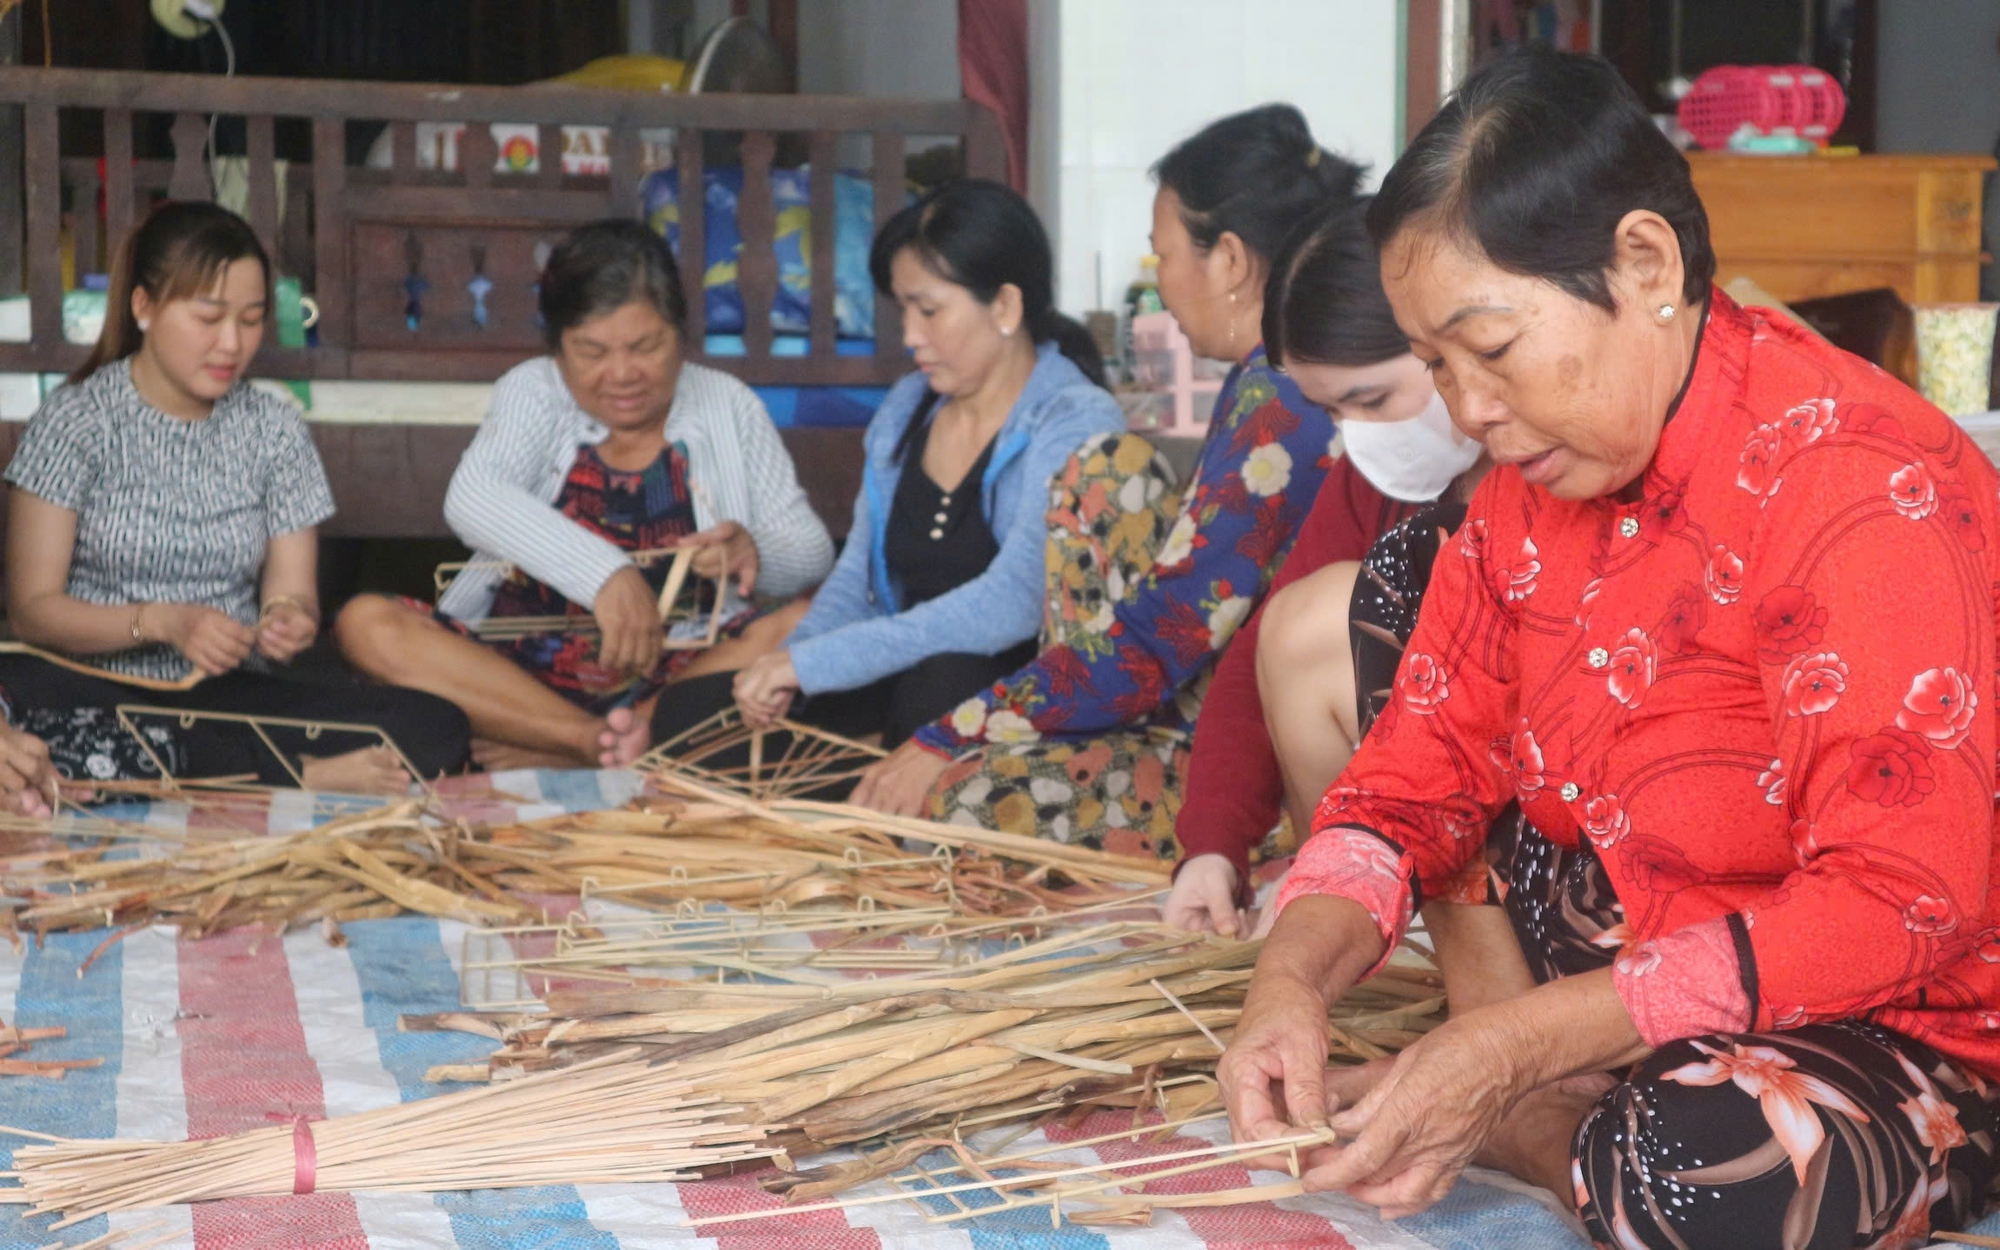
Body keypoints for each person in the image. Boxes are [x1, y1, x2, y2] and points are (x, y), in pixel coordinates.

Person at [1220, 47, 2000, 1247]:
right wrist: (1288, 977)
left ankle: (1533, 1117)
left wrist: (1513, 1047)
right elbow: (1405, 784)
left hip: (1894, 1011)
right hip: (1645, 928)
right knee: (1401, 572)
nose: (1469, 408)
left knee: (1697, 1171)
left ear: (1644, 265)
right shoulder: (1522, 493)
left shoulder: (1854, 482)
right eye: (1435, 366)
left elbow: (1896, 902)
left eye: (1492, 348)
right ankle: (1538, 1082)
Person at [852, 105, 1383, 855]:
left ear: (1227, 260)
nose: (1160, 283)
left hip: (1246, 754)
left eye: (1162, 255)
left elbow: (1160, 632)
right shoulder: (1257, 380)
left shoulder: (1283, 395)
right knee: (1108, 470)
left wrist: (954, 732)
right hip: (1184, 708)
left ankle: (1239, 837)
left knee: (955, 801)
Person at [0, 201, 468, 793]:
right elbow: (33, 612)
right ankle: (286, 775)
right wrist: (164, 622)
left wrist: (286, 620)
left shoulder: (274, 428)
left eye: (250, 320)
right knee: (28, 709)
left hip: (224, 697)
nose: (232, 343)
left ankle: (222, 772)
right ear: (144, 306)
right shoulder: (76, 422)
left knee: (434, 727)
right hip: (87, 686)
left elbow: (293, 592)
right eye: (209, 317)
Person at [652, 179, 1128, 756]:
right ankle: (859, 789)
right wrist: (787, 666)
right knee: (686, 718)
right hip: (904, 672)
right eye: (903, 309)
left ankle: (872, 798)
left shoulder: (1073, 418)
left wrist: (819, 663)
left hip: (1012, 698)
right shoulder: (907, 407)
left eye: (929, 310)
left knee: (945, 682)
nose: (909, 336)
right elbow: (855, 582)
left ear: (1004, 306)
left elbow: (1015, 600)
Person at [335, 220, 833, 770]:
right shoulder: (534, 390)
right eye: (592, 351)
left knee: (813, 620)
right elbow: (473, 497)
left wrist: (753, 554)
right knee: (366, 624)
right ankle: (587, 741)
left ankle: (594, 739)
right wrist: (608, 576)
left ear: (681, 334)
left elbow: (812, 552)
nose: (622, 374)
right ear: (557, 348)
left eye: (645, 346)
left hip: (678, 681)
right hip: (517, 674)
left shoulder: (726, 403)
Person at [1166, 198, 1488, 937]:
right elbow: (1261, 653)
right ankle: (1365, 910)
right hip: (1415, 824)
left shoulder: (1548, 459)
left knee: (1323, 619)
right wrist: (1211, 847)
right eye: (1334, 414)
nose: (1359, 438)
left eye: (1371, 399)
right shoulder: (1374, 479)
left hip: (1544, 824)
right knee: (1306, 617)